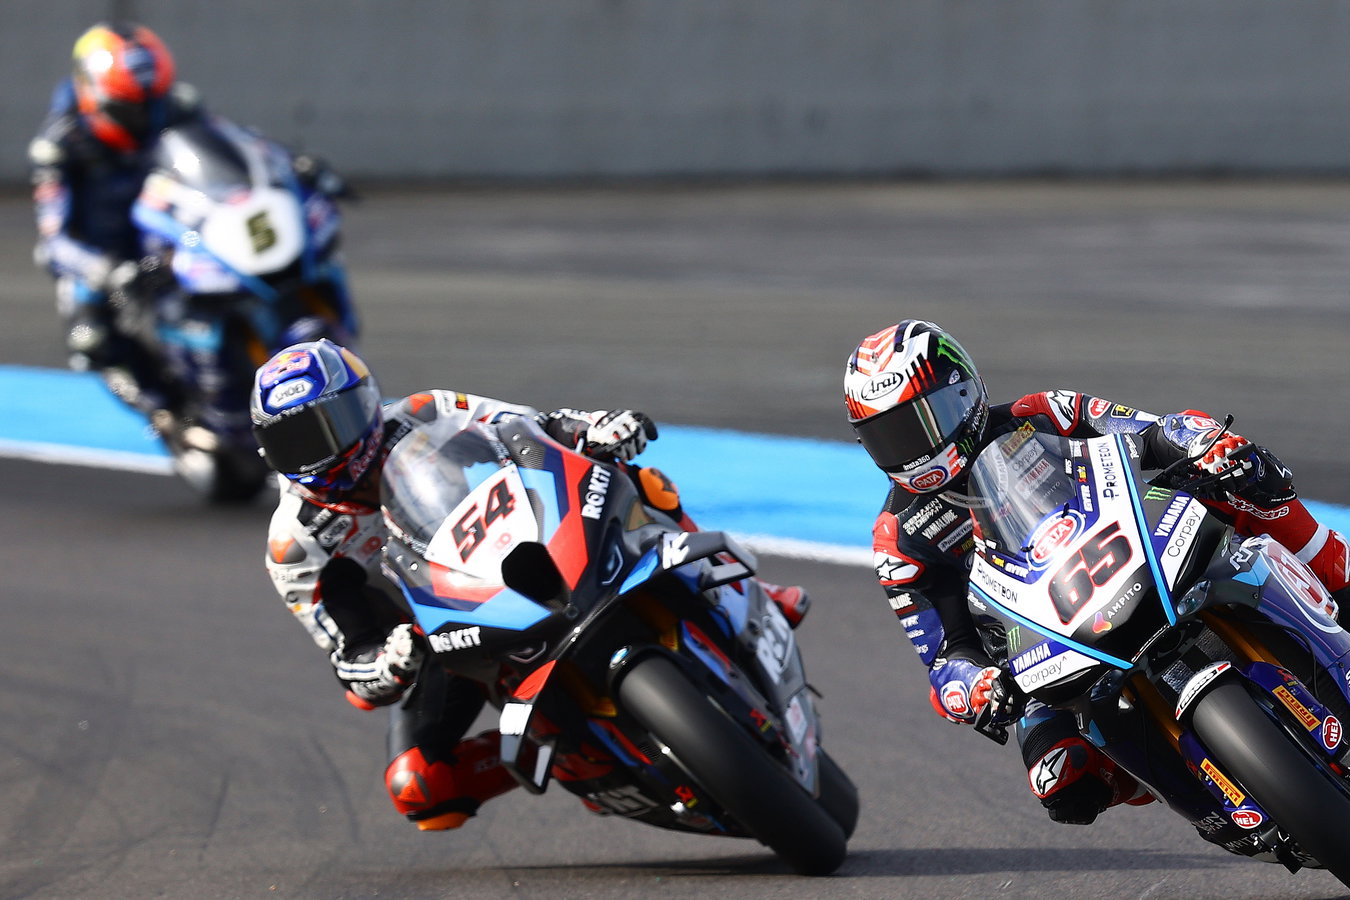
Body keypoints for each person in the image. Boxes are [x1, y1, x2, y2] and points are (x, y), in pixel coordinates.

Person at [843, 318, 1350, 826]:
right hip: (1042, 650)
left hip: (1141, 554)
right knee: (1062, 784)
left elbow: (1150, 430)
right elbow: (942, 652)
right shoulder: (899, 538)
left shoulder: (1041, 413)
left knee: (1243, 481)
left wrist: (1202, 443)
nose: (915, 446)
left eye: (924, 419)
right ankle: (1200, 783)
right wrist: (972, 687)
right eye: (889, 436)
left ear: (964, 394)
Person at [251, 339, 808, 831]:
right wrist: (387, 662)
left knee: (639, 478)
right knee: (421, 790)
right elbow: (349, 658)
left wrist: (593, 428)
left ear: (366, 404)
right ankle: (560, 752)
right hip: (446, 638)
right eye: (295, 441)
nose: (321, 451)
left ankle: (742, 589)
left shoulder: (428, 411)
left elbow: (532, 429)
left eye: (331, 424)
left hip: (523, 543)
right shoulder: (296, 543)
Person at [30, 21, 348, 424]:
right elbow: (55, 240)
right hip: (105, 252)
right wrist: (106, 270)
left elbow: (234, 141)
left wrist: (292, 163)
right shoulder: (60, 146)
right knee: (91, 339)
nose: (146, 117)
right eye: (130, 108)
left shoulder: (176, 105)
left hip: (165, 226)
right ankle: (169, 415)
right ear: (92, 95)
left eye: (154, 102)